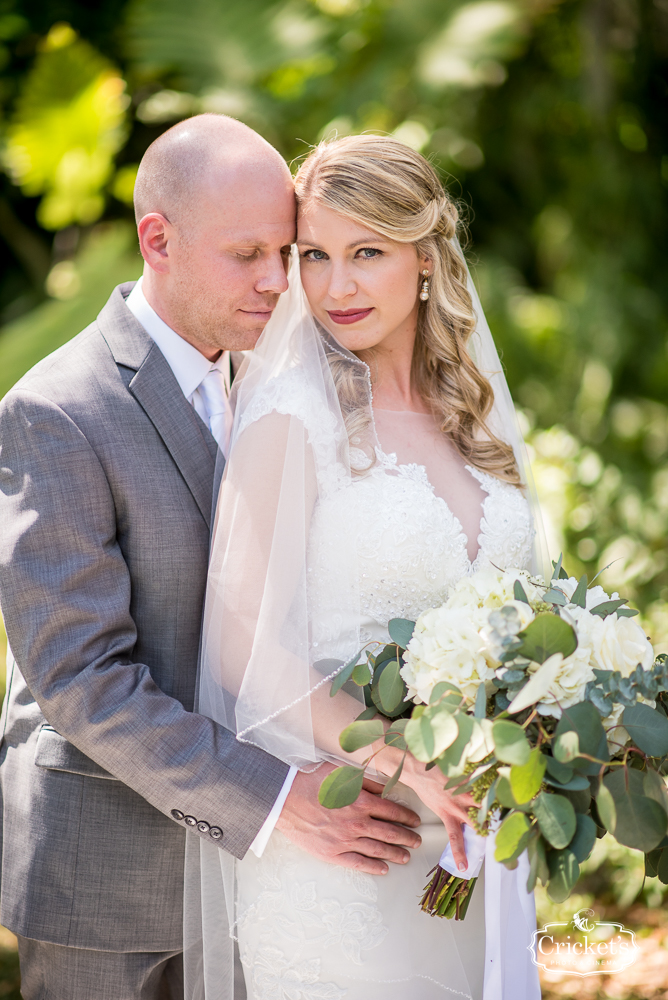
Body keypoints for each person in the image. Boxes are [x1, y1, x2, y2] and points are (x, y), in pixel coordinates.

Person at [0, 116, 427, 1000]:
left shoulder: (283, 382)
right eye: (247, 256)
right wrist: (275, 802)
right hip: (111, 885)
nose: (280, 283)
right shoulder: (57, 410)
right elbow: (82, 680)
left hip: (265, 894)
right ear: (158, 240)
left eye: (287, 251)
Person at [189, 134, 543, 999]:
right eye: (314, 256)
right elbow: (242, 648)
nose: (334, 287)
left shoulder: (478, 421)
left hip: (468, 847)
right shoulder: (290, 417)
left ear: (424, 259)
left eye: (366, 254)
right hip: (350, 843)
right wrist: (407, 761)